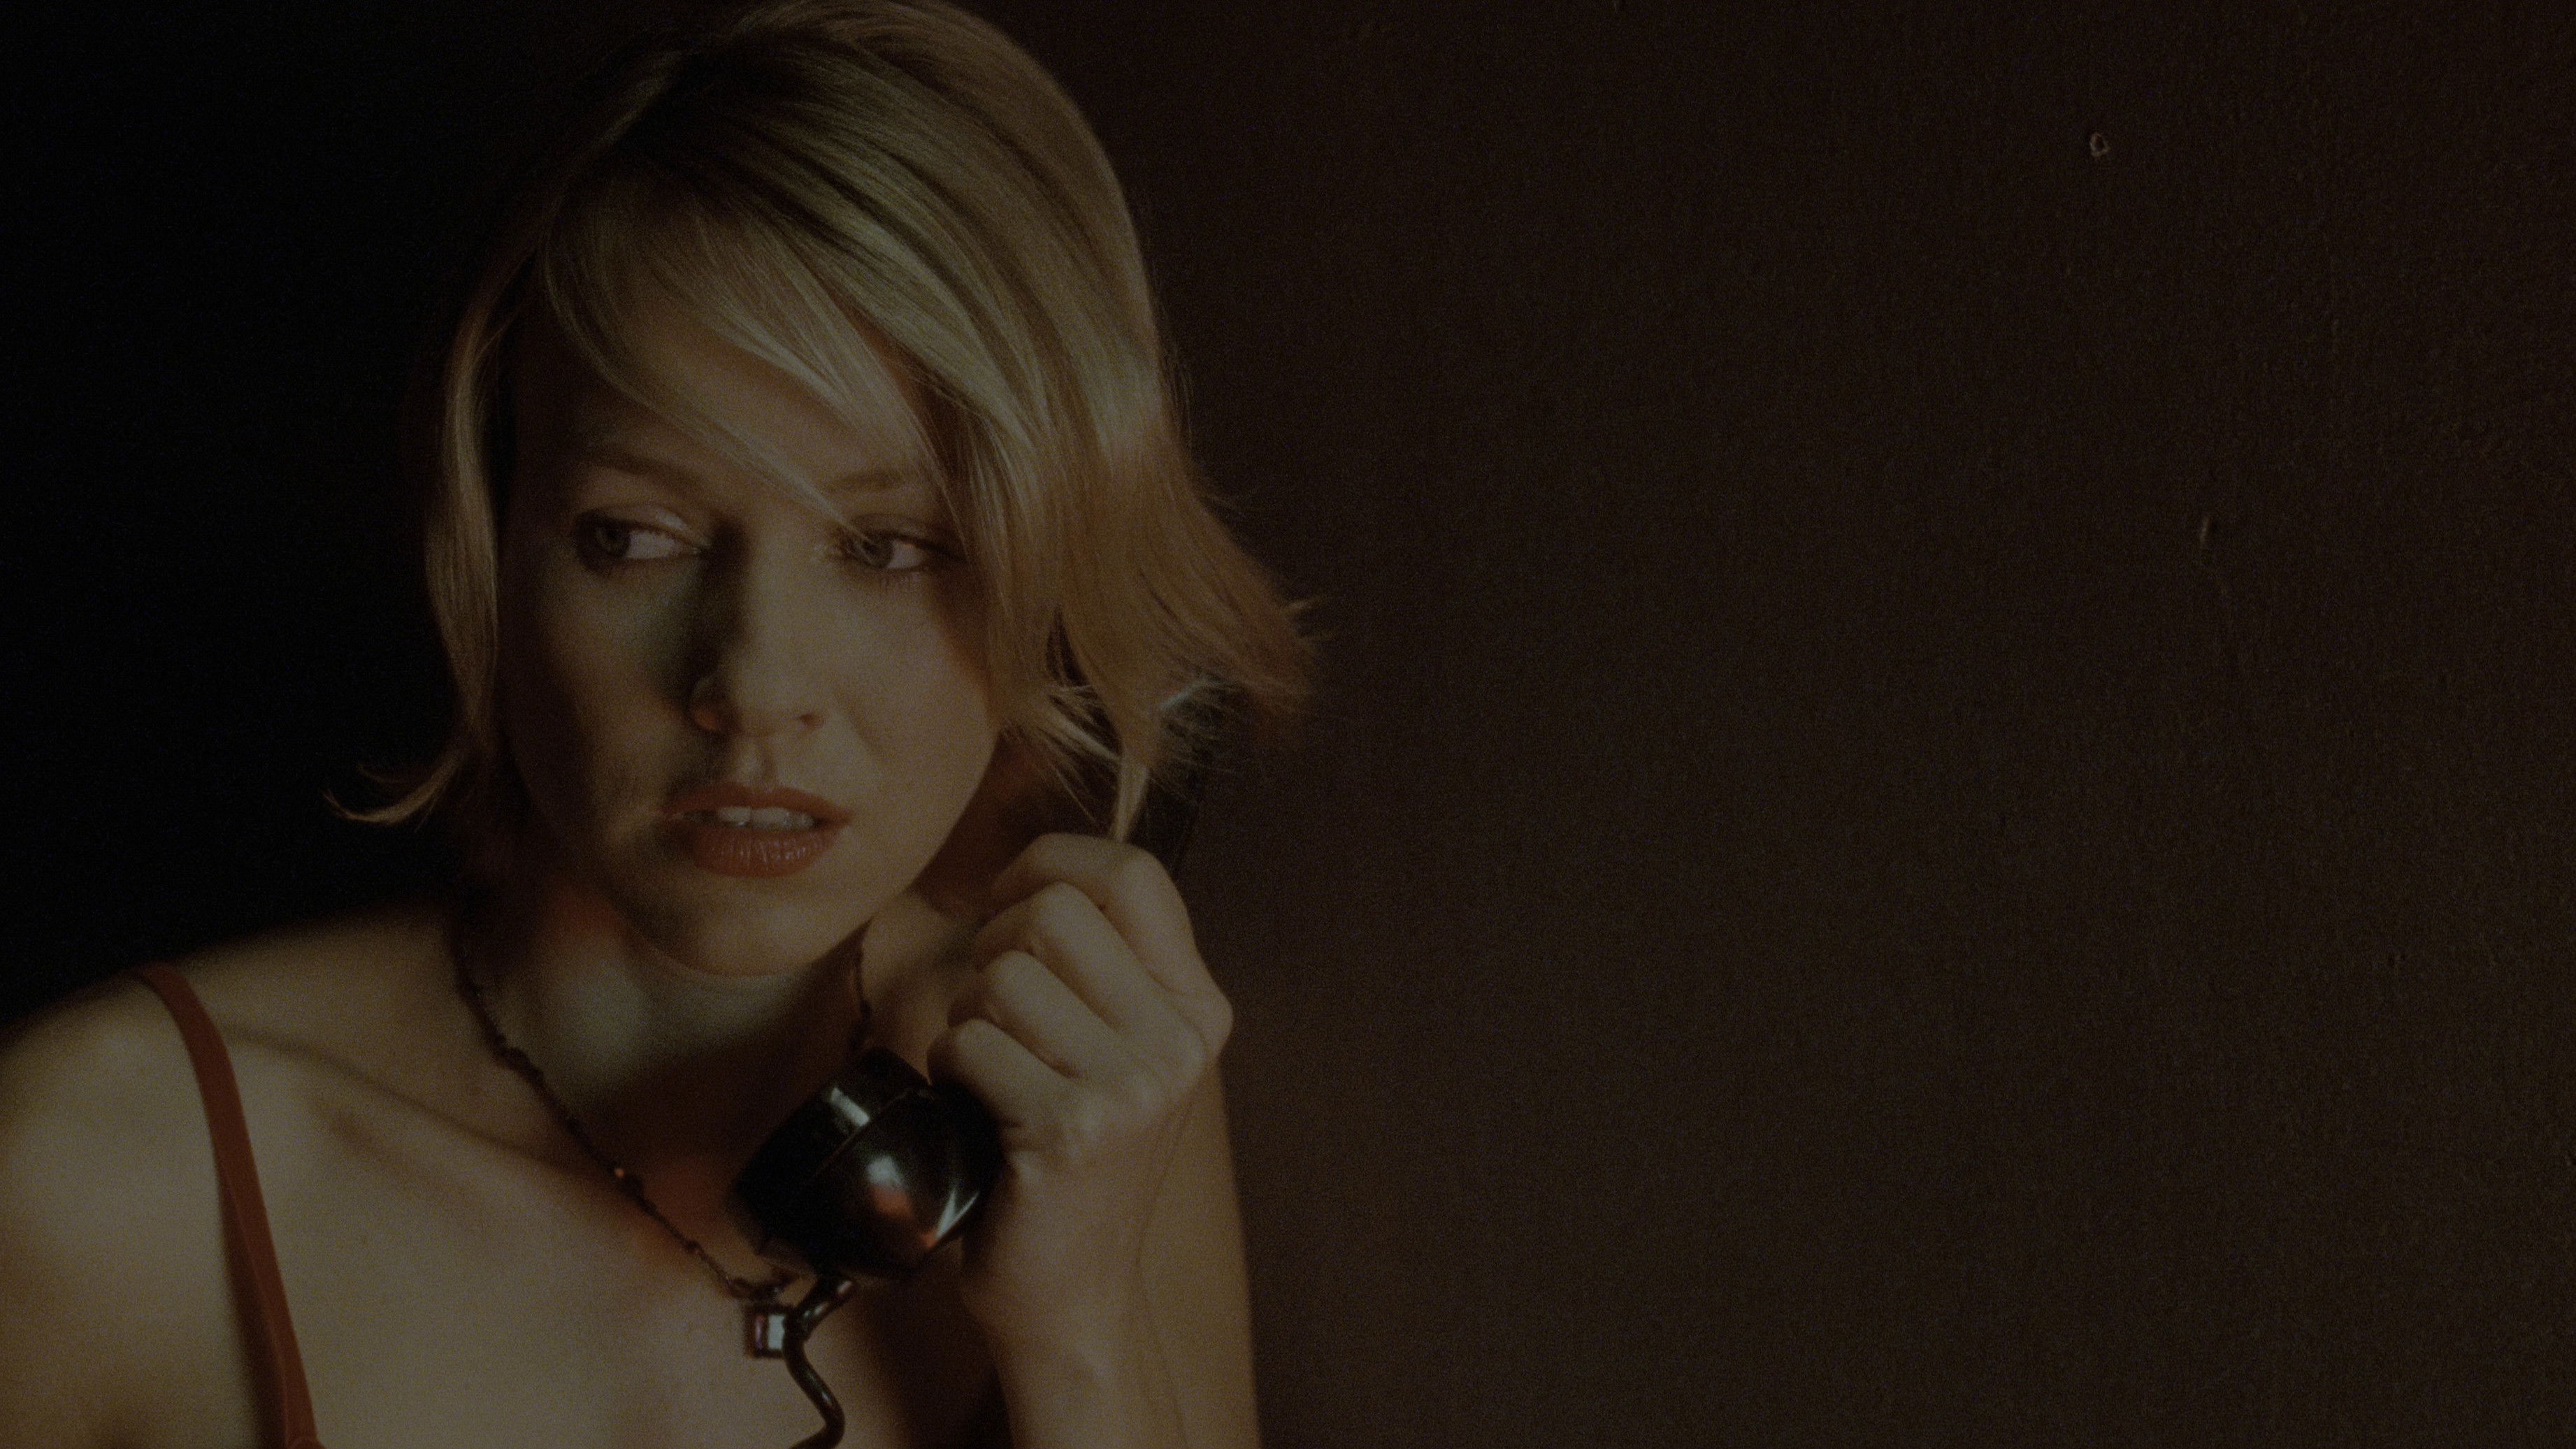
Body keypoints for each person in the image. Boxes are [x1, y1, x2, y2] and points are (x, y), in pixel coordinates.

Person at [0, 1, 1309, 1445]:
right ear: (493, 547)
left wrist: (1079, 1336)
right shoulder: (92, 1172)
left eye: (888, 547)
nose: (752, 684)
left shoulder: (1085, 1101)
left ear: (1043, 589)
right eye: (633, 535)